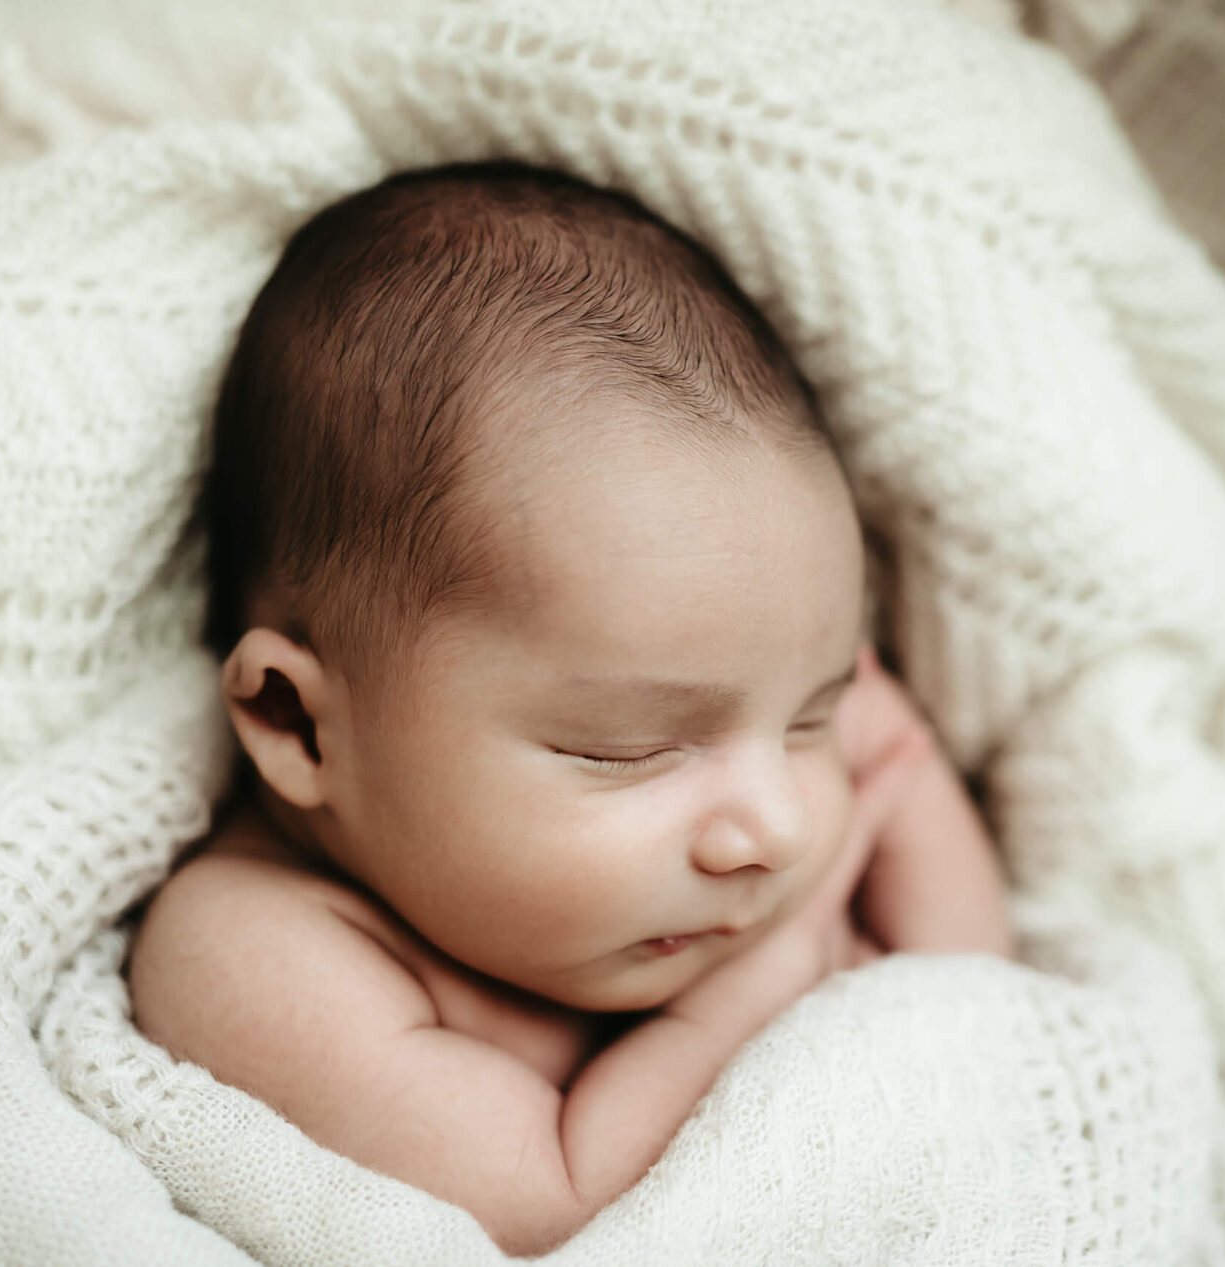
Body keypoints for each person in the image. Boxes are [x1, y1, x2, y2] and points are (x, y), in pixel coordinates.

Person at [126, 162, 1013, 1256]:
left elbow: (981, 1002)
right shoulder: (257, 947)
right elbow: (560, 1207)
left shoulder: (762, 823)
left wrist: (893, 778)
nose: (778, 828)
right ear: (298, 724)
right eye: (628, 746)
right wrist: (776, 974)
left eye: (808, 719)